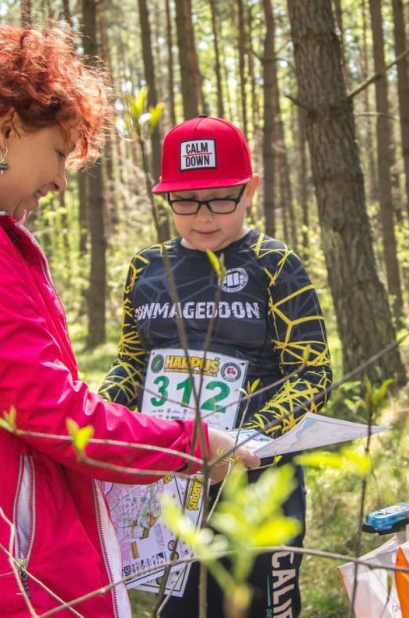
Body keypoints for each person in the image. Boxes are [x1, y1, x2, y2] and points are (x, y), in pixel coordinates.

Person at [0, 24, 257, 617]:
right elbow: (55, 414)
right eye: (58, 152)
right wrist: (190, 443)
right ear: (6, 130)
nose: (60, 178)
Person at [99, 116, 332, 618]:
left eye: (220, 198)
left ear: (251, 190)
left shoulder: (275, 264)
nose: (202, 216)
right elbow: (132, 363)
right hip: (174, 485)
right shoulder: (146, 268)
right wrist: (100, 411)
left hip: (259, 486)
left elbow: (312, 373)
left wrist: (252, 437)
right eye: (184, 200)